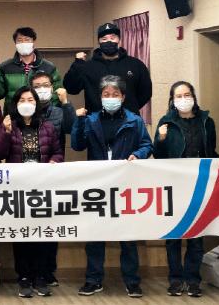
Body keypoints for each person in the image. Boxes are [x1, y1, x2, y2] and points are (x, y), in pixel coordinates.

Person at [71, 75, 152, 298]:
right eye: (106, 94)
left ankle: (132, 282)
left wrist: (138, 154)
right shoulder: (91, 119)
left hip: (125, 186)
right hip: (97, 186)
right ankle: (93, 280)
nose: (110, 98)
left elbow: (147, 145)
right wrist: (79, 121)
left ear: (123, 97)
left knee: (127, 237)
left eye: (115, 94)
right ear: (100, 97)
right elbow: (77, 145)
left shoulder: (134, 121)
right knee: (95, 236)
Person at [0, 86, 63, 298]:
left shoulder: (47, 127)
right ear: (16, 104)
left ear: (36, 103)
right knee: (22, 235)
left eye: (30, 99)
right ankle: (23, 277)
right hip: (18, 189)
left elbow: (58, 152)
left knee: (41, 235)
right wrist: (5, 132)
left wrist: (54, 161)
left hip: (42, 188)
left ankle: (40, 276)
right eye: (22, 100)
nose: (26, 103)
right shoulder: (9, 125)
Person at [154, 81, 218, 298]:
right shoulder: (166, 122)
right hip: (174, 185)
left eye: (187, 94)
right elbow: (158, 156)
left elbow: (211, 152)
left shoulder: (206, 121)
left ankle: (192, 281)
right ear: (172, 100)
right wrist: (161, 139)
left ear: (193, 96)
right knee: (174, 236)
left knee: (196, 235)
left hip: (199, 184)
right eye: (178, 96)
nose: (183, 99)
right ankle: (175, 280)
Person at [29, 70, 75, 287]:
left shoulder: (58, 111)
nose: (42, 89)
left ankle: (48, 271)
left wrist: (66, 103)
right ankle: (31, 271)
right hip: (28, 176)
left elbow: (72, 128)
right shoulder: (24, 109)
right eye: (37, 86)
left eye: (45, 85)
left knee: (50, 224)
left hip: (53, 173)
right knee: (30, 223)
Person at [63, 23, 152, 114]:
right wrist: (77, 64)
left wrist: (131, 108)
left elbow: (145, 93)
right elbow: (71, 88)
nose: (109, 41)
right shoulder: (88, 66)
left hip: (129, 120)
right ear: (99, 42)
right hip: (95, 120)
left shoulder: (135, 64)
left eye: (112, 38)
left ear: (119, 40)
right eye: (104, 39)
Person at [0, 27, 63, 113]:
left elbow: (57, 93)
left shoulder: (48, 67)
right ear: (15, 44)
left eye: (27, 40)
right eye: (20, 40)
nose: (23, 43)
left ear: (33, 42)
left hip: (42, 115)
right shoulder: (6, 67)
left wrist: (47, 111)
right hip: (14, 115)